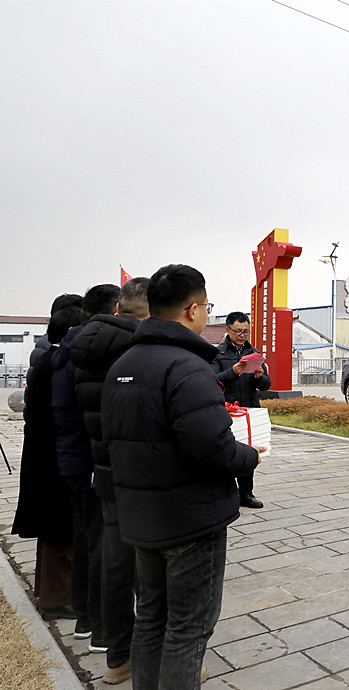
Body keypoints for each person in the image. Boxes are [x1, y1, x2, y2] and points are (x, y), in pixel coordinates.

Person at [102, 264, 262, 689]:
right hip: (190, 519)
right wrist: (250, 456)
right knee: (188, 630)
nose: (207, 313)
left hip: (142, 515)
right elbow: (213, 447)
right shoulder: (187, 367)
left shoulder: (122, 364)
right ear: (192, 309)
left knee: (150, 619)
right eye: (207, 306)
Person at [70, 277, 149, 684]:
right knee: (152, 570)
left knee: (115, 564)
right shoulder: (138, 348)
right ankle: (160, 656)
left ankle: (117, 658)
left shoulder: (85, 345)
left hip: (103, 467)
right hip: (142, 472)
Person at [52, 283, 120, 651]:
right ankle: (101, 627)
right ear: (115, 310)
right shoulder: (95, 351)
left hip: (73, 456)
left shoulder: (67, 348)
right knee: (101, 544)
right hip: (90, 458)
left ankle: (84, 616)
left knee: (85, 536)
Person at [12, 307, 82, 622]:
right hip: (54, 458)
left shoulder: (47, 362)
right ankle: (56, 599)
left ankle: (50, 593)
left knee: (53, 530)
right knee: (59, 531)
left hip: (45, 455)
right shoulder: (57, 365)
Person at [212, 310, 271, 509]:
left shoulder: (254, 353)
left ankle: (246, 494)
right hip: (226, 410)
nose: (242, 335)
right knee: (225, 452)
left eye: (246, 331)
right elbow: (212, 380)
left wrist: (259, 377)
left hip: (249, 409)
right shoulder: (217, 354)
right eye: (238, 331)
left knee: (247, 452)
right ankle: (225, 494)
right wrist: (232, 372)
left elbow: (266, 385)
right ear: (227, 329)